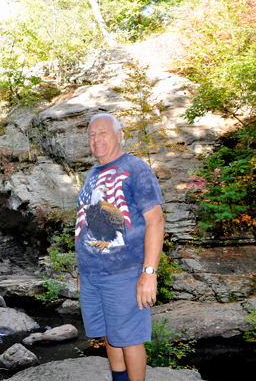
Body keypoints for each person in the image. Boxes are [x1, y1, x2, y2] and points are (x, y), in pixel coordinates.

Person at [74, 112, 164, 381]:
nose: (96, 139)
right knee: (110, 335)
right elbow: (85, 223)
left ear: (119, 135)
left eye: (103, 132)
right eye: (91, 134)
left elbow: (156, 221)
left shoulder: (136, 168)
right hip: (92, 274)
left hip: (124, 272)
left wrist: (149, 273)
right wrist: (82, 269)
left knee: (129, 337)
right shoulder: (93, 173)